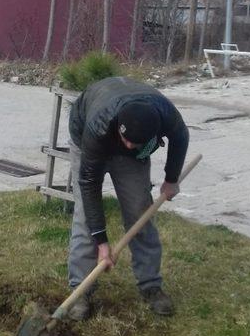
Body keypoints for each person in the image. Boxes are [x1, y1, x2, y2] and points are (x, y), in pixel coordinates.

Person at [67, 75, 189, 320]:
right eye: (127, 140)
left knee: (139, 212)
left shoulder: (165, 115)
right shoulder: (99, 126)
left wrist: (171, 179)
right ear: (120, 129)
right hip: (88, 140)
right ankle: (81, 289)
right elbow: (90, 185)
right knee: (84, 218)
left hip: (127, 146)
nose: (130, 146)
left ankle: (150, 285)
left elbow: (181, 137)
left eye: (137, 143)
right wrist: (102, 243)